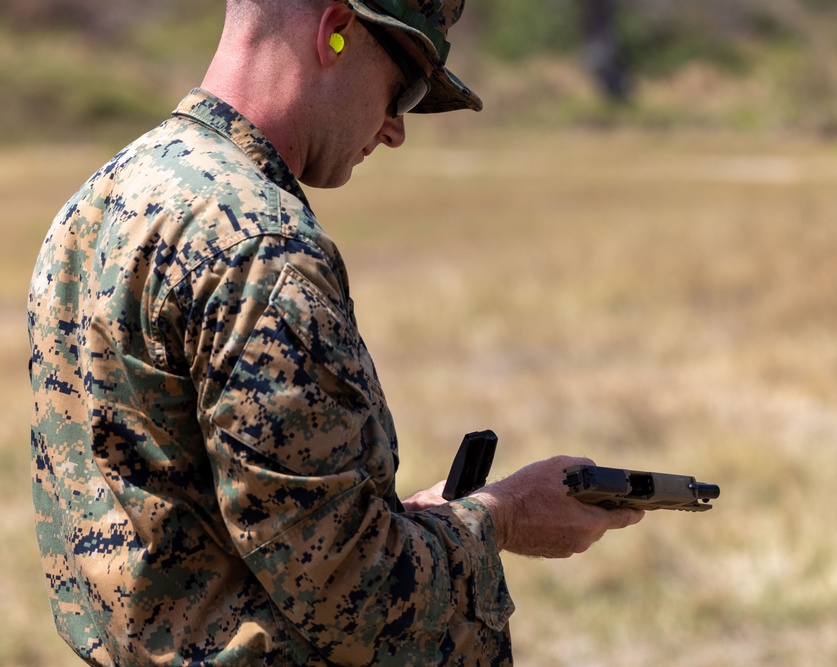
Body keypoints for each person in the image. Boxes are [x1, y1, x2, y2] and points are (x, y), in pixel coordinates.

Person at [27, 0, 645, 664]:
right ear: (336, 34)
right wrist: (502, 516)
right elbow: (355, 593)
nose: (395, 128)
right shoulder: (261, 246)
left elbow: (228, 525)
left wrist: (415, 520)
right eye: (403, 85)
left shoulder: (101, 198)